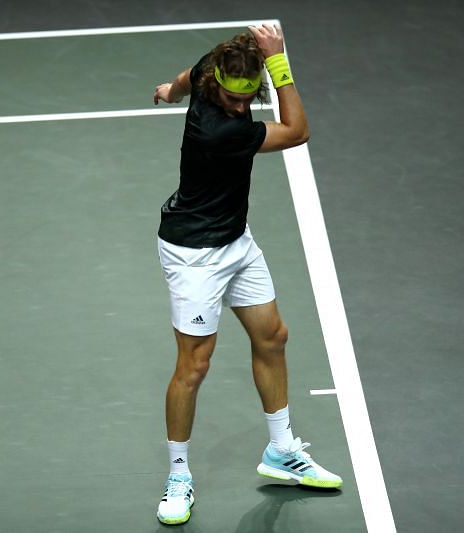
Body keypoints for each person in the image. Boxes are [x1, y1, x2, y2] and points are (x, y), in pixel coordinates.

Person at [152, 23, 342, 526]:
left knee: (273, 337)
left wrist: (171, 91)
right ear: (220, 85)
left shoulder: (209, 70)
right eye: (233, 100)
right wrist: (279, 64)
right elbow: (298, 131)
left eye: (245, 98)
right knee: (193, 367)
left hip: (236, 241)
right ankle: (177, 476)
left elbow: (184, 78)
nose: (240, 108)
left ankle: (281, 451)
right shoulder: (223, 130)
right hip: (193, 255)